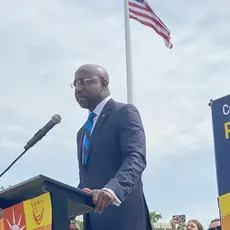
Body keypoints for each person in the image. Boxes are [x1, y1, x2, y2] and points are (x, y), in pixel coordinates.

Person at [73, 64, 152, 230]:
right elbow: (86, 178)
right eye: (75, 84)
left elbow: (135, 157)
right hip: (94, 221)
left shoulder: (124, 112)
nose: (78, 89)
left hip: (123, 217)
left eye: (84, 81)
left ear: (103, 83)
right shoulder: (82, 133)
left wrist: (112, 190)